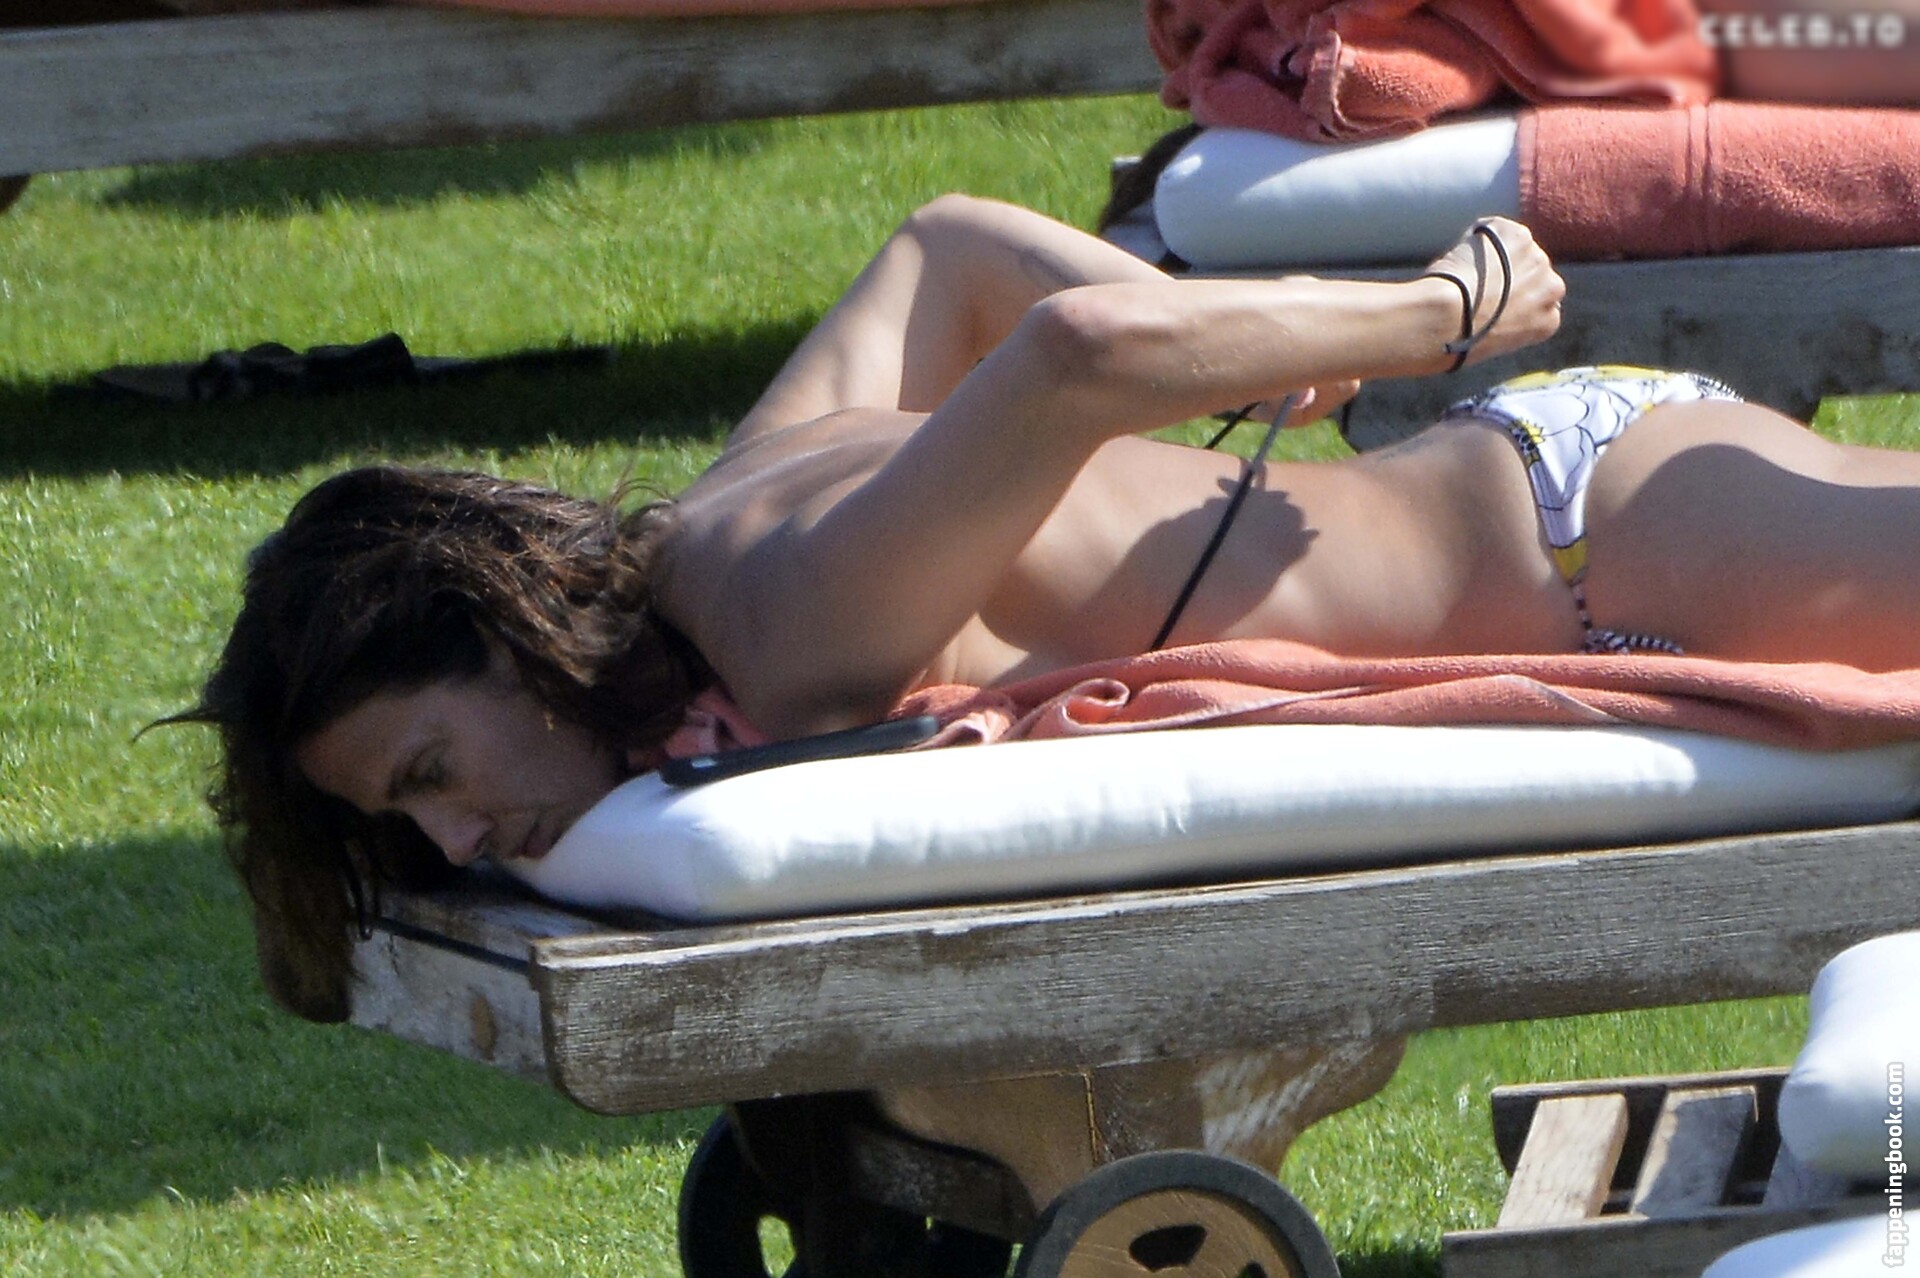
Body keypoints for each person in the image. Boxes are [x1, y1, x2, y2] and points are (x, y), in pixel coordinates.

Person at [178, 194, 1920, 1020]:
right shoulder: (713, 514)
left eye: (429, 770)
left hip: (1599, 546)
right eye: (408, 823)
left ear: (501, 637)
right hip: (1555, 499)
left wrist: (1421, 313)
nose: (459, 838)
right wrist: (1286, 374)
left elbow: (1072, 352)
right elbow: (942, 249)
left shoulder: (787, 619)